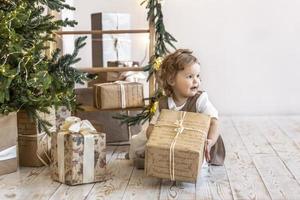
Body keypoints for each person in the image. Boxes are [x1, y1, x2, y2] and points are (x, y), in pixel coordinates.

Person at [128, 49, 225, 169]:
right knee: (139, 141)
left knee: (194, 161)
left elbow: (214, 121)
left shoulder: (200, 100)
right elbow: (152, 128)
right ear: (171, 80)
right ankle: (146, 156)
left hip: (197, 141)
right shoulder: (164, 103)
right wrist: (157, 143)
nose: (196, 81)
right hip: (172, 139)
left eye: (198, 76)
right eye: (190, 76)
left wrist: (210, 141)